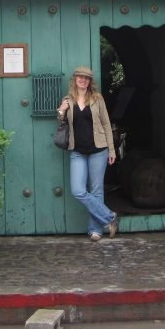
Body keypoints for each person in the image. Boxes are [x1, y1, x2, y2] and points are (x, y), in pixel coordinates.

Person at [57, 66, 118, 242]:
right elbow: (61, 121)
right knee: (78, 190)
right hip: (77, 151)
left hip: (98, 150)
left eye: (87, 78)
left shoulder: (98, 99)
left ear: (90, 81)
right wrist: (61, 110)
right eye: (80, 77)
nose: (83, 80)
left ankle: (95, 230)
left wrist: (111, 150)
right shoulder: (68, 100)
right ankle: (109, 217)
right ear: (75, 79)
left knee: (97, 191)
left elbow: (106, 125)